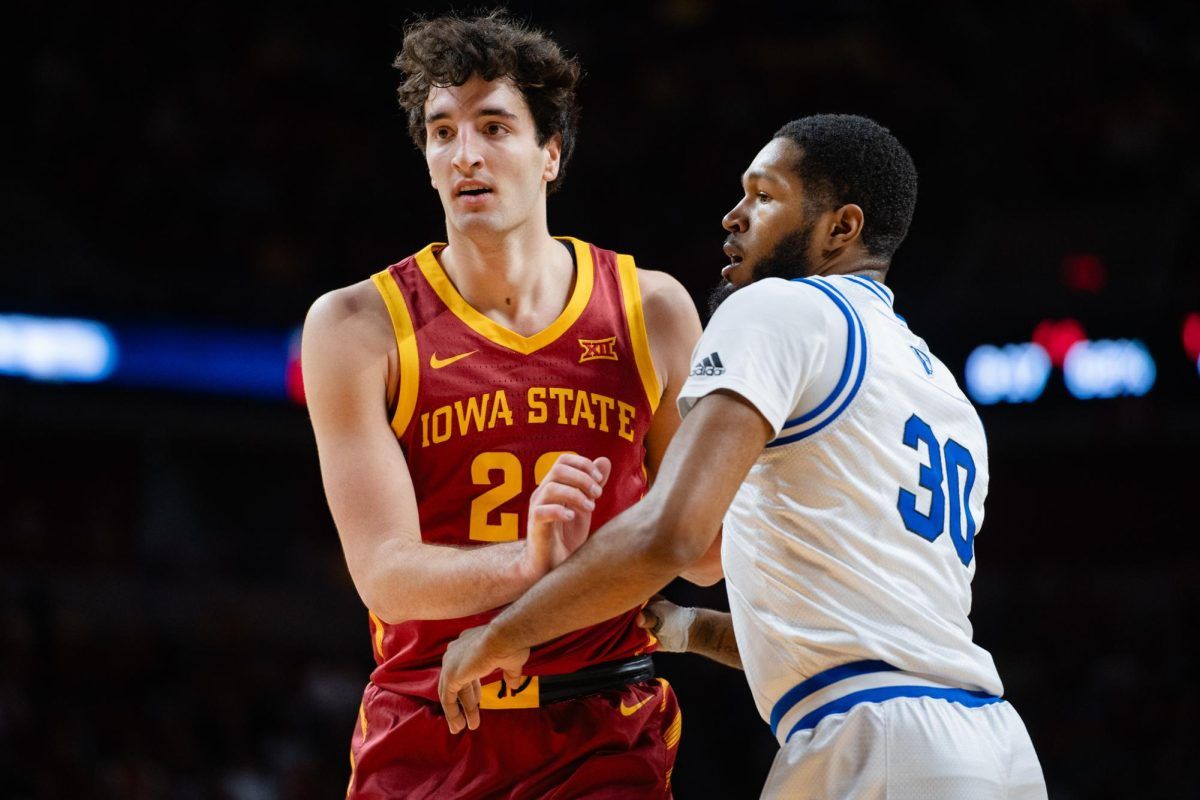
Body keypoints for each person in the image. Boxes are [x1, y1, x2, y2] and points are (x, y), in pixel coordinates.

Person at [439, 114, 1048, 799]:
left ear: (840, 229)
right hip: (994, 747)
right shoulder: (939, 387)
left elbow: (672, 533)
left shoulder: (780, 309)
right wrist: (690, 629)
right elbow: (866, 635)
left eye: (763, 196)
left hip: (873, 745)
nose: (732, 216)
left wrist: (501, 633)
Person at [301, 12, 708, 799]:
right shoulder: (355, 326)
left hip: (605, 722)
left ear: (551, 152)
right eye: (443, 131)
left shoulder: (651, 309)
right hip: (431, 718)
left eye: (493, 126)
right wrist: (531, 563)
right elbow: (386, 576)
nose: (466, 155)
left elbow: (703, 555)